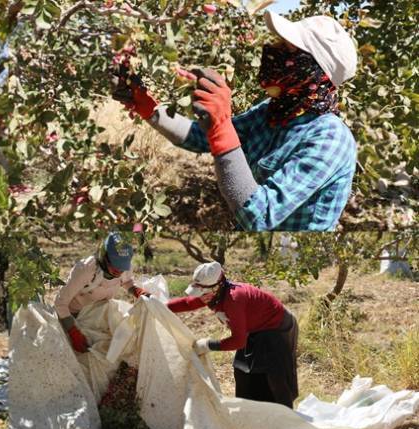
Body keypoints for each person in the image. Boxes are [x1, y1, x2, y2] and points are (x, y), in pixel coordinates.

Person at [114, 11, 357, 231]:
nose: (275, 51)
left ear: (314, 72)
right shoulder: (273, 111)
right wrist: (148, 106)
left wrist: (221, 126)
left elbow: (258, 216)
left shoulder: (330, 138)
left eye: (288, 49)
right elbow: (201, 137)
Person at [167, 261, 299, 408]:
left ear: (217, 287)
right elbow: (187, 303)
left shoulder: (234, 299)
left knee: (273, 378)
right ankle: (250, 414)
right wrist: (159, 305)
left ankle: (285, 418)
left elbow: (238, 341)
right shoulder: (213, 295)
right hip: (252, 330)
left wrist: (208, 344)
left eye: (203, 293)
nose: (201, 297)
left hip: (276, 328)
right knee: (242, 372)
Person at [54, 232, 150, 353]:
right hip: (74, 316)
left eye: (122, 267)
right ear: (105, 258)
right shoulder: (86, 269)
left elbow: (125, 281)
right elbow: (60, 303)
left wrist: (136, 291)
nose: (119, 271)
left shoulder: (124, 267)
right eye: (115, 266)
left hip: (98, 315)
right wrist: (73, 331)